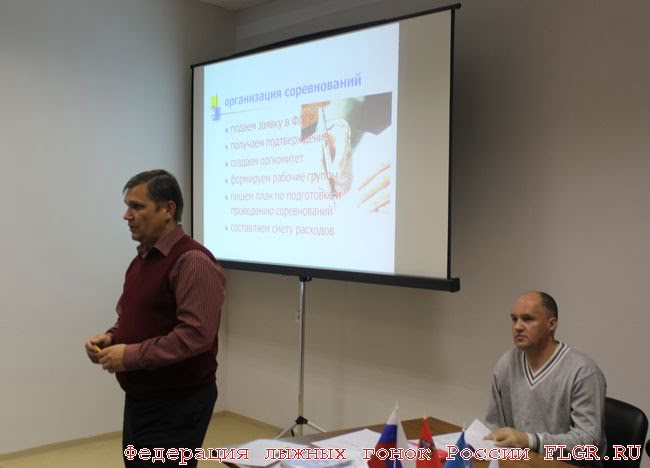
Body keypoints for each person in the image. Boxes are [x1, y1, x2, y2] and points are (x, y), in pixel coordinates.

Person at [84, 169, 226, 467]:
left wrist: (130, 355)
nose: (127, 215)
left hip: (179, 402)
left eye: (137, 206)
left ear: (168, 210)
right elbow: (131, 317)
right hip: (142, 398)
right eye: (127, 206)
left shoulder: (193, 262)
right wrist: (111, 337)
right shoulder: (142, 260)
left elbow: (195, 336)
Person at [485, 291, 606, 464]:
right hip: (520, 462)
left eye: (527, 319)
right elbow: (494, 425)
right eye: (514, 319)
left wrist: (529, 441)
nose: (518, 326)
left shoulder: (583, 372)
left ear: (552, 324)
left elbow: (589, 443)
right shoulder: (506, 363)